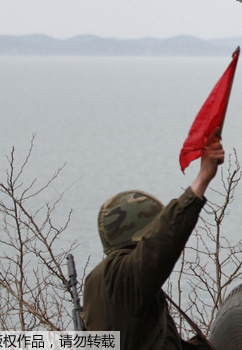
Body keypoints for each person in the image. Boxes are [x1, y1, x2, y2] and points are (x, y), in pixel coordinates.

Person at [82, 138, 224, 350]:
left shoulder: (99, 282)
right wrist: (202, 180)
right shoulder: (124, 276)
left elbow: (144, 341)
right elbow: (163, 241)